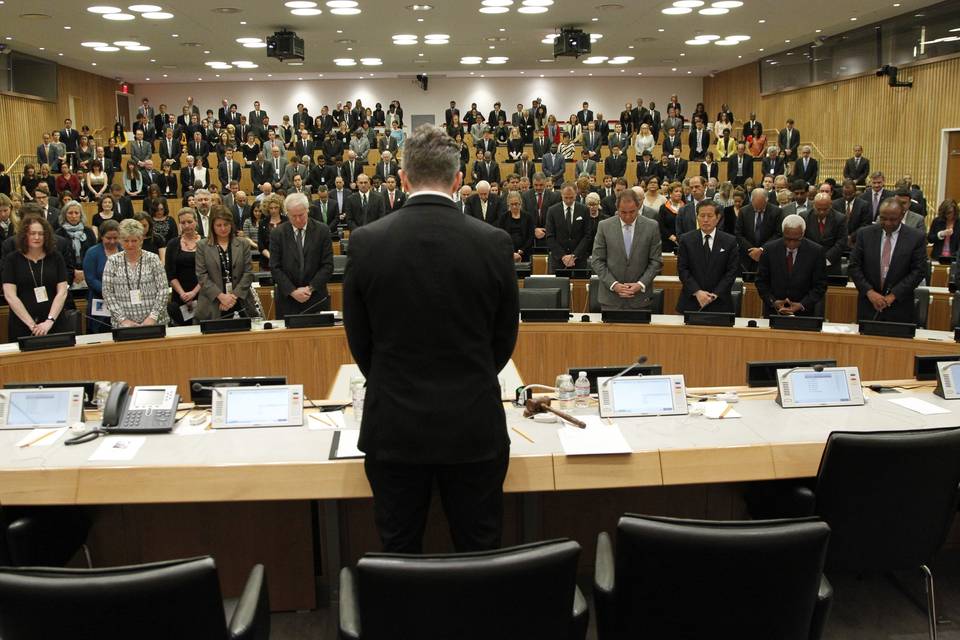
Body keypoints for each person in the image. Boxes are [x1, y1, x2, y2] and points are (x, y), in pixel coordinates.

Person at [342, 124, 518, 554]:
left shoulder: (366, 242)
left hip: (395, 427)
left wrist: (394, 377)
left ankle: (406, 624)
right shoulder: (493, 242)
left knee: (398, 548)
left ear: (402, 178)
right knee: (481, 550)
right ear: (458, 180)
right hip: (473, 425)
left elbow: (360, 341)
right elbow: (503, 339)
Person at [848, 198, 927, 323]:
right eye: (883, 218)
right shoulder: (865, 234)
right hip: (869, 304)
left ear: (902, 215)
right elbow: (854, 266)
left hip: (900, 306)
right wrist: (870, 292)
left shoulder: (916, 237)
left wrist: (893, 295)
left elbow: (919, 271)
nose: (888, 223)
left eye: (893, 219)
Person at [589, 189, 663, 310]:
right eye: (623, 212)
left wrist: (640, 284)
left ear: (638, 207)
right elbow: (597, 260)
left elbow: (656, 261)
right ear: (617, 209)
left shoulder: (652, 226)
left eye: (632, 212)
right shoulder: (604, 226)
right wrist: (614, 285)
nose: (628, 216)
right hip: (611, 298)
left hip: (640, 298)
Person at [1, 214, 69, 341]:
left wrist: (49, 321)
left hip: (54, 323)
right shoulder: (12, 259)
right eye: (32, 233)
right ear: (24, 235)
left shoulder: (56, 257)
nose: (37, 237)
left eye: (41, 234)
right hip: (22, 325)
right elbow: (10, 295)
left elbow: (62, 292)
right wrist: (32, 325)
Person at [269, 192, 334, 318]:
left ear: (307, 210)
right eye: (293, 216)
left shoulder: (322, 231)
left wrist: (309, 289)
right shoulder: (277, 233)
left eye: (301, 215)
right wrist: (293, 291)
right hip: (287, 299)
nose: (298, 220)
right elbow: (275, 267)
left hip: (316, 297)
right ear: (286, 213)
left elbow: (327, 265)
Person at [755, 214, 828, 317]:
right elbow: (761, 281)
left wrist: (802, 305)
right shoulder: (769, 249)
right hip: (774, 312)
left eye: (796, 240)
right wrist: (773, 301)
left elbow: (820, 285)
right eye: (787, 239)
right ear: (783, 233)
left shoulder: (816, 252)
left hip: (804, 314)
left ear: (803, 234)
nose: (791, 244)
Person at [101, 218, 169, 328]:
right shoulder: (112, 261)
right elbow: (107, 292)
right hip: (123, 325)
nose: (130, 245)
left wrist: (153, 317)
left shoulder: (153, 259)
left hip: (155, 323)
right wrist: (122, 320)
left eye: (134, 241)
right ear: (120, 240)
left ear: (141, 240)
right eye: (126, 241)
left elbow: (163, 289)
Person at [675, 200, 740, 313]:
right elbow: (682, 270)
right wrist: (698, 292)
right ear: (697, 217)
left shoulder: (729, 241)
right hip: (691, 301)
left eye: (709, 216)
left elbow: (731, 272)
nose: (705, 220)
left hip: (720, 303)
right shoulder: (686, 240)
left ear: (718, 217)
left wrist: (715, 294)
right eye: (702, 216)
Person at [195, 205, 255, 321]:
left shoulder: (243, 244)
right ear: (212, 226)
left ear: (231, 224)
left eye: (226, 224)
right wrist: (221, 297)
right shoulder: (202, 246)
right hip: (212, 302)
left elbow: (248, 273)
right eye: (219, 225)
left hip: (240, 301)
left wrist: (232, 297)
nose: (223, 228)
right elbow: (202, 276)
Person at [162, 208, 200, 326]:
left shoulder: (206, 242)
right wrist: (183, 294)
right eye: (183, 223)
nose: (186, 225)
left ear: (196, 222)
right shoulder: (172, 244)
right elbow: (170, 273)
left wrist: (193, 293)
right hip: (180, 296)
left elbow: (209, 271)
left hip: (202, 294)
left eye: (189, 222)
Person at [83, 219, 120, 333]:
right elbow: (91, 279)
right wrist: (110, 292)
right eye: (108, 238)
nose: (112, 241)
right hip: (99, 302)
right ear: (101, 236)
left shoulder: (124, 250)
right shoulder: (92, 253)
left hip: (122, 303)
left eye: (115, 238)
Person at [546, 182, 592, 272]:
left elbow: (587, 235)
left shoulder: (584, 210)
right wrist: (563, 256)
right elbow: (549, 236)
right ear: (561, 195)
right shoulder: (552, 211)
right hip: (558, 260)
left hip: (579, 260)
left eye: (571, 197)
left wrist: (574, 255)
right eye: (565, 198)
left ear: (576, 194)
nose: (568, 201)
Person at [735, 188, 783, 273]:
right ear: (751, 200)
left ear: (766, 200)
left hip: (768, 255)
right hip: (747, 256)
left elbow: (778, 234)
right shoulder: (744, 211)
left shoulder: (776, 212)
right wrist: (752, 250)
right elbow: (738, 233)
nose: (758, 210)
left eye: (761, 206)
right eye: (756, 206)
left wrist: (761, 249)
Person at [803, 193, 847, 275]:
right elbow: (802, 240)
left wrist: (826, 259)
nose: (821, 212)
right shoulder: (805, 217)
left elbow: (841, 242)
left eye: (825, 209)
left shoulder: (840, 218)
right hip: (809, 262)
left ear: (830, 206)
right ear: (813, 206)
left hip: (831, 263)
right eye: (818, 209)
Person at [55, 202, 96, 273]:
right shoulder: (59, 233)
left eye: (76, 213)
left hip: (88, 271)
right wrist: (73, 272)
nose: (73, 216)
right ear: (65, 215)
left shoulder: (88, 232)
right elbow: (58, 258)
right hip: (66, 272)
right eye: (70, 213)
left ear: (81, 215)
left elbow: (94, 254)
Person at [497, 191, 534, 262]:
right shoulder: (503, 217)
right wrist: (511, 252)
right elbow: (501, 236)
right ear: (508, 204)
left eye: (516, 204)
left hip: (525, 252)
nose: (514, 206)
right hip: (508, 252)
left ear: (520, 203)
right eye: (512, 204)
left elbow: (530, 237)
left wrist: (522, 250)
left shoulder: (528, 217)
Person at [658, 181, 684, 253]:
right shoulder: (663, 208)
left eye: (681, 192)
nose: (679, 193)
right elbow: (661, 226)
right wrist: (673, 238)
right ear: (670, 193)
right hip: (667, 242)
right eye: (676, 191)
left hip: (683, 242)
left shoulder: (686, 207)